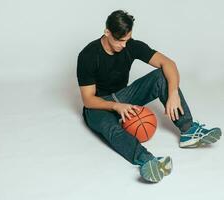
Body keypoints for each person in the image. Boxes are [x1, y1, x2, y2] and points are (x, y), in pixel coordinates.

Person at [76, 10, 222, 183]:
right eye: (120, 40)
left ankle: (188, 130)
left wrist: (173, 92)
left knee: (162, 76)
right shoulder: (88, 55)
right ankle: (147, 161)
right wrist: (116, 107)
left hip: (123, 97)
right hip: (98, 106)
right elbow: (88, 99)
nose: (124, 45)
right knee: (112, 128)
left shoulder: (131, 45)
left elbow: (168, 63)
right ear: (107, 32)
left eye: (127, 39)